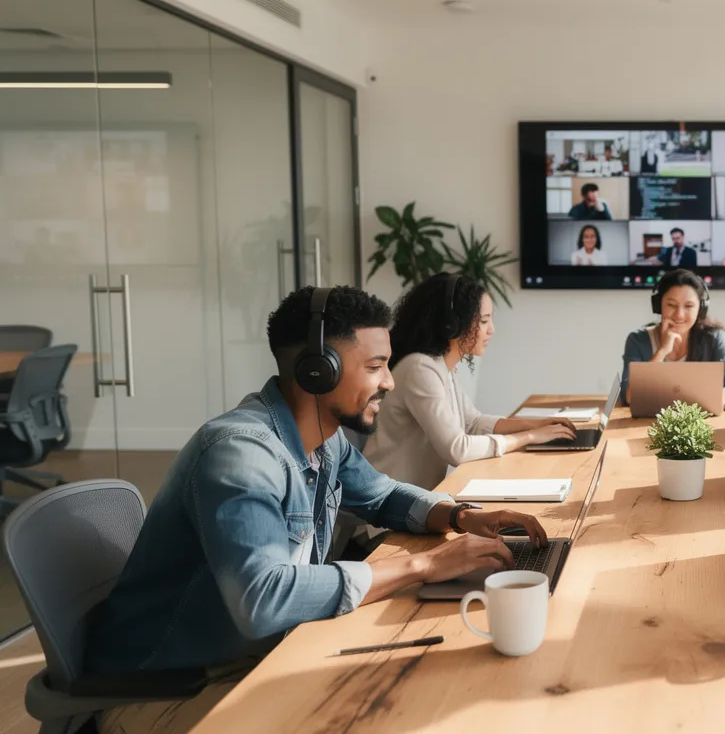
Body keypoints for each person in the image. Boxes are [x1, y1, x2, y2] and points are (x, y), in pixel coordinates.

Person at [85, 285, 549, 732]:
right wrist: (425, 564)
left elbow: (382, 494)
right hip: (170, 687)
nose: (389, 382)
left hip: (256, 657)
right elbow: (263, 600)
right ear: (317, 371)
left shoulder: (323, 441)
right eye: (376, 367)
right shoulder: (240, 455)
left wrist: (461, 515)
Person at [363, 274, 576, 489]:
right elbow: (457, 449)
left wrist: (536, 425)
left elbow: (472, 422)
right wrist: (529, 436)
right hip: (388, 510)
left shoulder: (442, 366)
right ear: (451, 325)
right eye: (483, 321)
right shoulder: (419, 368)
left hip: (417, 502)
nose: (492, 329)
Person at [621, 269, 725, 406]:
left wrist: (710, 398)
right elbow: (629, 396)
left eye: (688, 306)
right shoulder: (638, 340)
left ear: (700, 309)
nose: (679, 315)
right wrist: (661, 351)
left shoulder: (715, 338)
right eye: (671, 305)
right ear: (658, 305)